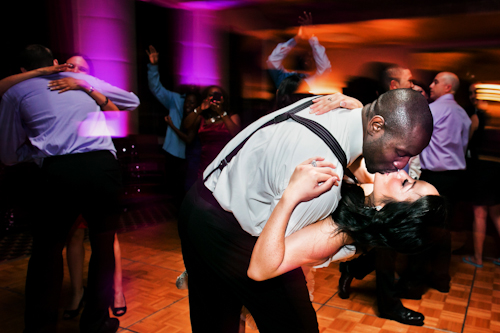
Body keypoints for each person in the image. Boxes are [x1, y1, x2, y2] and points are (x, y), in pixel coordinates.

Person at [179, 88, 433, 332]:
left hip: (211, 205)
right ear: (376, 125)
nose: (403, 166)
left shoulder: (329, 121)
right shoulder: (323, 169)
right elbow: (264, 264)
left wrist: (290, 198)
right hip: (218, 223)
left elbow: (268, 260)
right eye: (401, 152)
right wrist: (359, 107)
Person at [0, 44, 139, 333]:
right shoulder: (81, 81)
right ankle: (96, 324)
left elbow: (8, 156)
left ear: (23, 71)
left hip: (59, 173)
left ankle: (40, 328)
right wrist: (85, 85)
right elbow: (133, 101)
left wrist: (38, 151)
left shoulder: (15, 92)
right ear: (54, 62)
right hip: (102, 169)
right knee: (103, 248)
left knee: (46, 253)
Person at [328, 66, 428, 326]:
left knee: (389, 246)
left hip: (400, 188)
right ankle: (389, 306)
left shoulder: (410, 114)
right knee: (386, 249)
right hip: (382, 189)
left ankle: (353, 269)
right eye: (410, 81)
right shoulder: (376, 116)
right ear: (395, 86)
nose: (415, 85)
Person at [248, 159, 445, 281]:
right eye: (411, 177)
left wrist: (291, 196)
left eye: (405, 183)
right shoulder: (376, 193)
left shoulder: (335, 234)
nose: (401, 172)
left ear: (390, 214)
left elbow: (259, 270)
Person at [398, 72, 471, 299]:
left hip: (434, 177)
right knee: (444, 229)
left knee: (424, 227)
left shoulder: (432, 110)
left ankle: (413, 284)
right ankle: (441, 278)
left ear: (448, 87)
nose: (431, 85)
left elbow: (415, 139)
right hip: (456, 177)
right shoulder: (463, 114)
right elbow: (464, 144)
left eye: (436, 82)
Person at [146, 45, 201, 195]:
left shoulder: (201, 107)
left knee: (189, 190)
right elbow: (156, 88)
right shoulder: (175, 99)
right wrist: (153, 66)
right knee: (174, 189)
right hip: (174, 152)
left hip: (193, 154)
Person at [461, 83, 500, 268]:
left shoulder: (477, 117)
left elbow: (465, 143)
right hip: (498, 170)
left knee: (479, 214)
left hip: (481, 169)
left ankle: (477, 258)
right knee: (496, 214)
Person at [267, 12, 331, 91]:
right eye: (305, 57)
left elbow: (325, 68)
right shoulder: (285, 78)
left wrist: (305, 37)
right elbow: (273, 60)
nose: (308, 59)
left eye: (310, 57)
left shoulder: (285, 79)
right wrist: (300, 38)